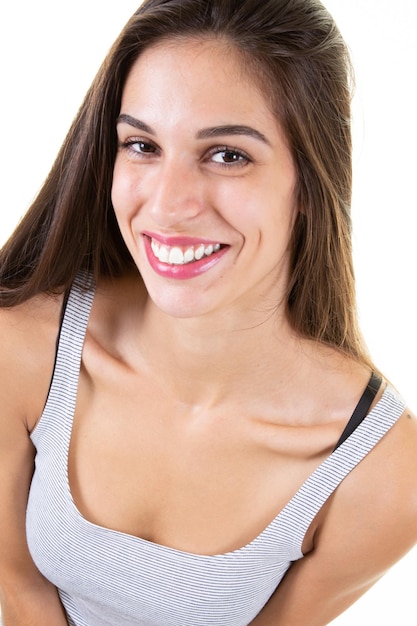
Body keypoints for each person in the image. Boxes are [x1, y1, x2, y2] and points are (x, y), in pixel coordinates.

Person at [0, 0, 416, 624]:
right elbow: (18, 591)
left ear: (309, 184)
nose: (167, 206)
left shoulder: (382, 474)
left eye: (227, 155)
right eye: (141, 144)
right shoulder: (24, 348)